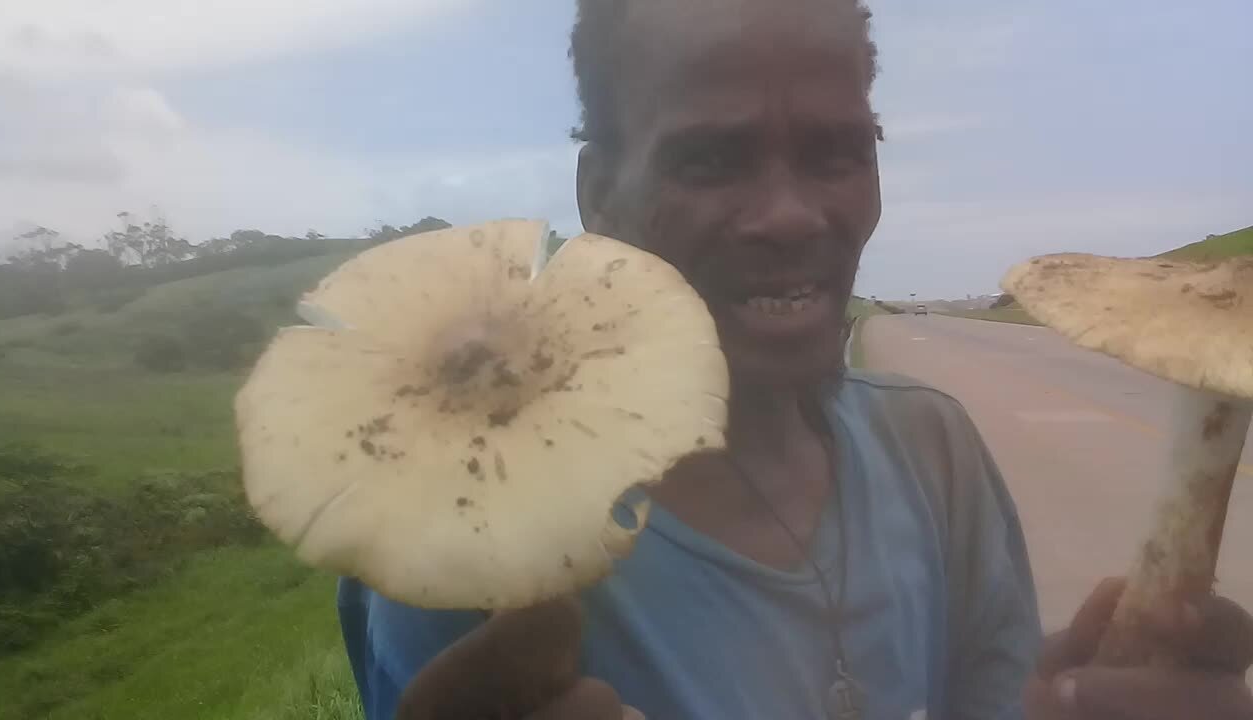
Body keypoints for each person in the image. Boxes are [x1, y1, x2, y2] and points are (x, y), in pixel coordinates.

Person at [337, 1, 1253, 717]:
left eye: (838, 151)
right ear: (599, 195)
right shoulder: (460, 550)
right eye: (712, 158)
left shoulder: (934, 454)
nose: (791, 215)